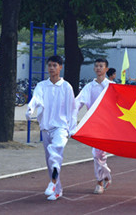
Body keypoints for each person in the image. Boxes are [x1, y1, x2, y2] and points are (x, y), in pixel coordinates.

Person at [25, 55, 77, 201]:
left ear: (60, 67)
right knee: (50, 160)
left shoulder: (66, 87)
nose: (52, 68)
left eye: (55, 65)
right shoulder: (42, 86)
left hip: (61, 127)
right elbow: (36, 99)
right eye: (50, 65)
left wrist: (71, 128)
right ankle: (57, 189)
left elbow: (72, 109)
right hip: (46, 128)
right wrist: (30, 110)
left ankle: (53, 182)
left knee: (55, 152)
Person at [75, 58, 113, 194]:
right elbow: (77, 103)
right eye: (96, 66)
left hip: (108, 125)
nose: (98, 68)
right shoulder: (89, 87)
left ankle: (104, 178)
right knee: (97, 153)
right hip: (94, 124)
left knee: (99, 154)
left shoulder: (112, 86)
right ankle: (101, 180)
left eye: (101, 66)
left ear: (106, 69)